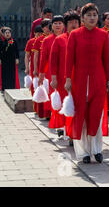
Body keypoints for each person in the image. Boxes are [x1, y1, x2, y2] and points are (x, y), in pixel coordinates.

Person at [65, 3, 109, 163]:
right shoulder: (75, 35)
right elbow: (69, 59)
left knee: (95, 116)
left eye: (94, 15)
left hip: (98, 81)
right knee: (81, 117)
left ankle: (97, 150)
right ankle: (84, 152)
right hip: (79, 81)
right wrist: (68, 79)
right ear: (82, 18)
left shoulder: (102, 35)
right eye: (89, 15)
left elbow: (107, 59)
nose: (92, 18)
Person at [50, 10, 80, 145]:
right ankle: (69, 133)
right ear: (65, 25)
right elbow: (53, 61)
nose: (74, 25)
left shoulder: (82, 38)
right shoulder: (59, 40)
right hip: (64, 79)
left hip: (80, 78)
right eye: (70, 22)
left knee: (78, 107)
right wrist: (54, 78)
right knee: (67, 106)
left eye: (76, 22)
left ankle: (76, 133)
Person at [38, 15, 64, 135]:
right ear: (51, 26)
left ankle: (69, 125)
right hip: (53, 73)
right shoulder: (47, 40)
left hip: (69, 73)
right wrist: (41, 74)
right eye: (55, 23)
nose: (58, 25)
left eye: (60, 23)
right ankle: (60, 125)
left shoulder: (69, 37)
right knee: (57, 99)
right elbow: (43, 59)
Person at [32, 19, 52, 119]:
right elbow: (36, 56)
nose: (49, 28)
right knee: (45, 89)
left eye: (50, 26)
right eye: (47, 26)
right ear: (43, 28)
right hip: (44, 67)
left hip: (53, 67)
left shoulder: (56, 37)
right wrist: (36, 69)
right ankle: (46, 113)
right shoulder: (39, 40)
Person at [25, 26, 43, 96]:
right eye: (37, 34)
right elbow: (27, 56)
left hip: (43, 65)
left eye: (41, 33)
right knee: (34, 85)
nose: (39, 35)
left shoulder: (44, 40)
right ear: (34, 33)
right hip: (33, 66)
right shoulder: (30, 42)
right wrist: (27, 68)